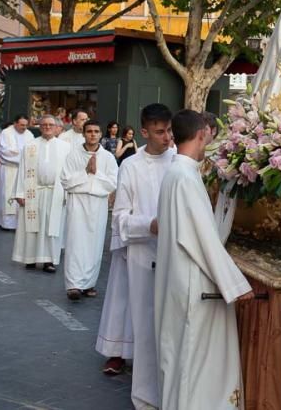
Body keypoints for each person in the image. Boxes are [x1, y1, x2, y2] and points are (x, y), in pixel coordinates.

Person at [154, 109, 254, 410]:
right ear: (201, 134)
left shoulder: (179, 172)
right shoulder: (184, 176)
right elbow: (202, 239)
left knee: (185, 356)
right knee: (193, 358)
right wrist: (236, 284)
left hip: (180, 278)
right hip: (193, 284)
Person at [103, 104, 175, 407]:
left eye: (170, 130)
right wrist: (150, 224)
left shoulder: (179, 161)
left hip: (174, 254)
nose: (168, 137)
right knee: (145, 323)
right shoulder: (130, 166)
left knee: (170, 325)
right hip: (143, 254)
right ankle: (146, 394)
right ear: (144, 132)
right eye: (160, 132)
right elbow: (119, 218)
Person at [60, 119, 118, 301]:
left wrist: (96, 173)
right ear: (83, 133)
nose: (92, 134)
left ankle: (89, 283)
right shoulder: (73, 155)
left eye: (96, 131)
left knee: (94, 243)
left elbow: (113, 183)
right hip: (78, 201)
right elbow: (66, 181)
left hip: (98, 203)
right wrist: (85, 172)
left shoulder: (108, 158)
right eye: (89, 131)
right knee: (76, 242)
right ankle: (74, 285)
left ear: (101, 134)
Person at [11, 115, 69, 272]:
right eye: (44, 124)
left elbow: (68, 172)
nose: (47, 127)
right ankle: (29, 258)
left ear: (57, 127)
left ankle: (49, 260)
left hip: (55, 192)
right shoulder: (30, 145)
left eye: (51, 124)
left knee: (52, 227)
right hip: (33, 191)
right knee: (31, 227)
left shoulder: (65, 147)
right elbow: (22, 169)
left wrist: (67, 193)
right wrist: (20, 192)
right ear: (39, 127)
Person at [0, 115, 34, 230]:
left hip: (23, 171)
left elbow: (32, 152)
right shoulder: (6, 133)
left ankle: (19, 224)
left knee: (20, 195)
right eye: (21, 125)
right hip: (8, 169)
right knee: (7, 195)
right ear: (15, 123)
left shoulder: (29, 134)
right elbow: (5, 152)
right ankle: (6, 224)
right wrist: (22, 155)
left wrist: (20, 154)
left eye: (26, 125)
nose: (24, 127)